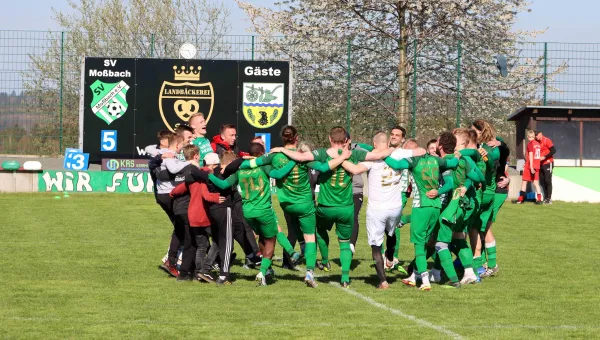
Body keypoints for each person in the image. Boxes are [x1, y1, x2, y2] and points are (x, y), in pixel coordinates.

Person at [271, 126, 392, 288]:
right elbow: (379, 154)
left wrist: (280, 149)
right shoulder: (354, 153)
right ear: (346, 140)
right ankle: (345, 278)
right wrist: (393, 147)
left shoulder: (322, 153)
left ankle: (325, 260)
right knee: (344, 242)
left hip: (325, 207)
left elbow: (300, 157)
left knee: (318, 233)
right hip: (346, 207)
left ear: (329, 139)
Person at [242, 125, 348, 287]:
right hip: (305, 204)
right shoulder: (303, 157)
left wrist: (238, 163)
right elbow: (323, 167)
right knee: (309, 237)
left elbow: (253, 164)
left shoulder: (274, 156)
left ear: (282, 138)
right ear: (296, 138)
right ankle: (309, 273)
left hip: (286, 204)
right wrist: (341, 158)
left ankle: (285, 257)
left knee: (279, 230)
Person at [340, 132, 423, 290]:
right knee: (391, 233)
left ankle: (383, 281)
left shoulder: (372, 158)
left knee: (376, 245)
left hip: (377, 209)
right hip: (395, 207)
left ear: (375, 143)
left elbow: (356, 170)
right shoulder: (398, 153)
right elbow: (420, 151)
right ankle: (390, 257)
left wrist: (338, 160)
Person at [208, 143, 298, 286]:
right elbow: (279, 174)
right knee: (271, 240)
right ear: (261, 154)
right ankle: (263, 271)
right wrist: (295, 160)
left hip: (248, 212)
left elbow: (223, 185)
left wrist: (209, 175)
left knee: (262, 238)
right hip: (263, 210)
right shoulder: (263, 167)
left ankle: (268, 268)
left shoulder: (240, 169)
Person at [383, 140, 460, 291]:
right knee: (427, 243)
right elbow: (451, 164)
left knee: (419, 245)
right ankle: (417, 276)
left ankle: (425, 281)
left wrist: (381, 155)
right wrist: (457, 155)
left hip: (421, 206)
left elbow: (397, 165)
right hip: (436, 206)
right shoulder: (436, 160)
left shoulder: (415, 160)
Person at [169, 145, 224, 281]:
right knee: (217, 240)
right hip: (201, 216)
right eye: (215, 166)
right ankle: (202, 270)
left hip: (190, 214)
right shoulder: (202, 176)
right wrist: (216, 197)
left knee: (200, 244)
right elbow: (205, 195)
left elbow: (180, 188)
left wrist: (172, 193)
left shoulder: (192, 175)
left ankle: (196, 272)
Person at [517, 130, 543, 204]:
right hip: (537, 165)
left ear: (528, 137)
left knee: (524, 182)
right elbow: (536, 156)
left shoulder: (530, 144)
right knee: (535, 183)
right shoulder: (537, 144)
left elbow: (531, 155)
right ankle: (539, 199)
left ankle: (520, 199)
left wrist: (531, 166)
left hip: (530, 166)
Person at [536, 131, 556, 204]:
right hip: (540, 164)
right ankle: (545, 197)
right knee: (542, 181)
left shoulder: (547, 140)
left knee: (548, 180)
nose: (536, 137)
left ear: (540, 134)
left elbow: (553, 150)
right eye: (535, 136)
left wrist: (544, 157)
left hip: (548, 162)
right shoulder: (536, 142)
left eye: (537, 135)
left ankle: (549, 198)